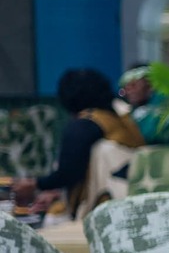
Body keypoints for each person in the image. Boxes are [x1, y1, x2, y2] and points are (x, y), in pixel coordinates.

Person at [11, 68, 144, 218]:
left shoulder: (84, 125)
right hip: (134, 203)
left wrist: (36, 184)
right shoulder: (123, 121)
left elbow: (69, 172)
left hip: (105, 210)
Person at [117, 64, 169, 145]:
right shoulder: (131, 110)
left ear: (149, 83)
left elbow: (151, 134)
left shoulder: (168, 101)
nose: (129, 91)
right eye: (126, 88)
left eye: (133, 85)